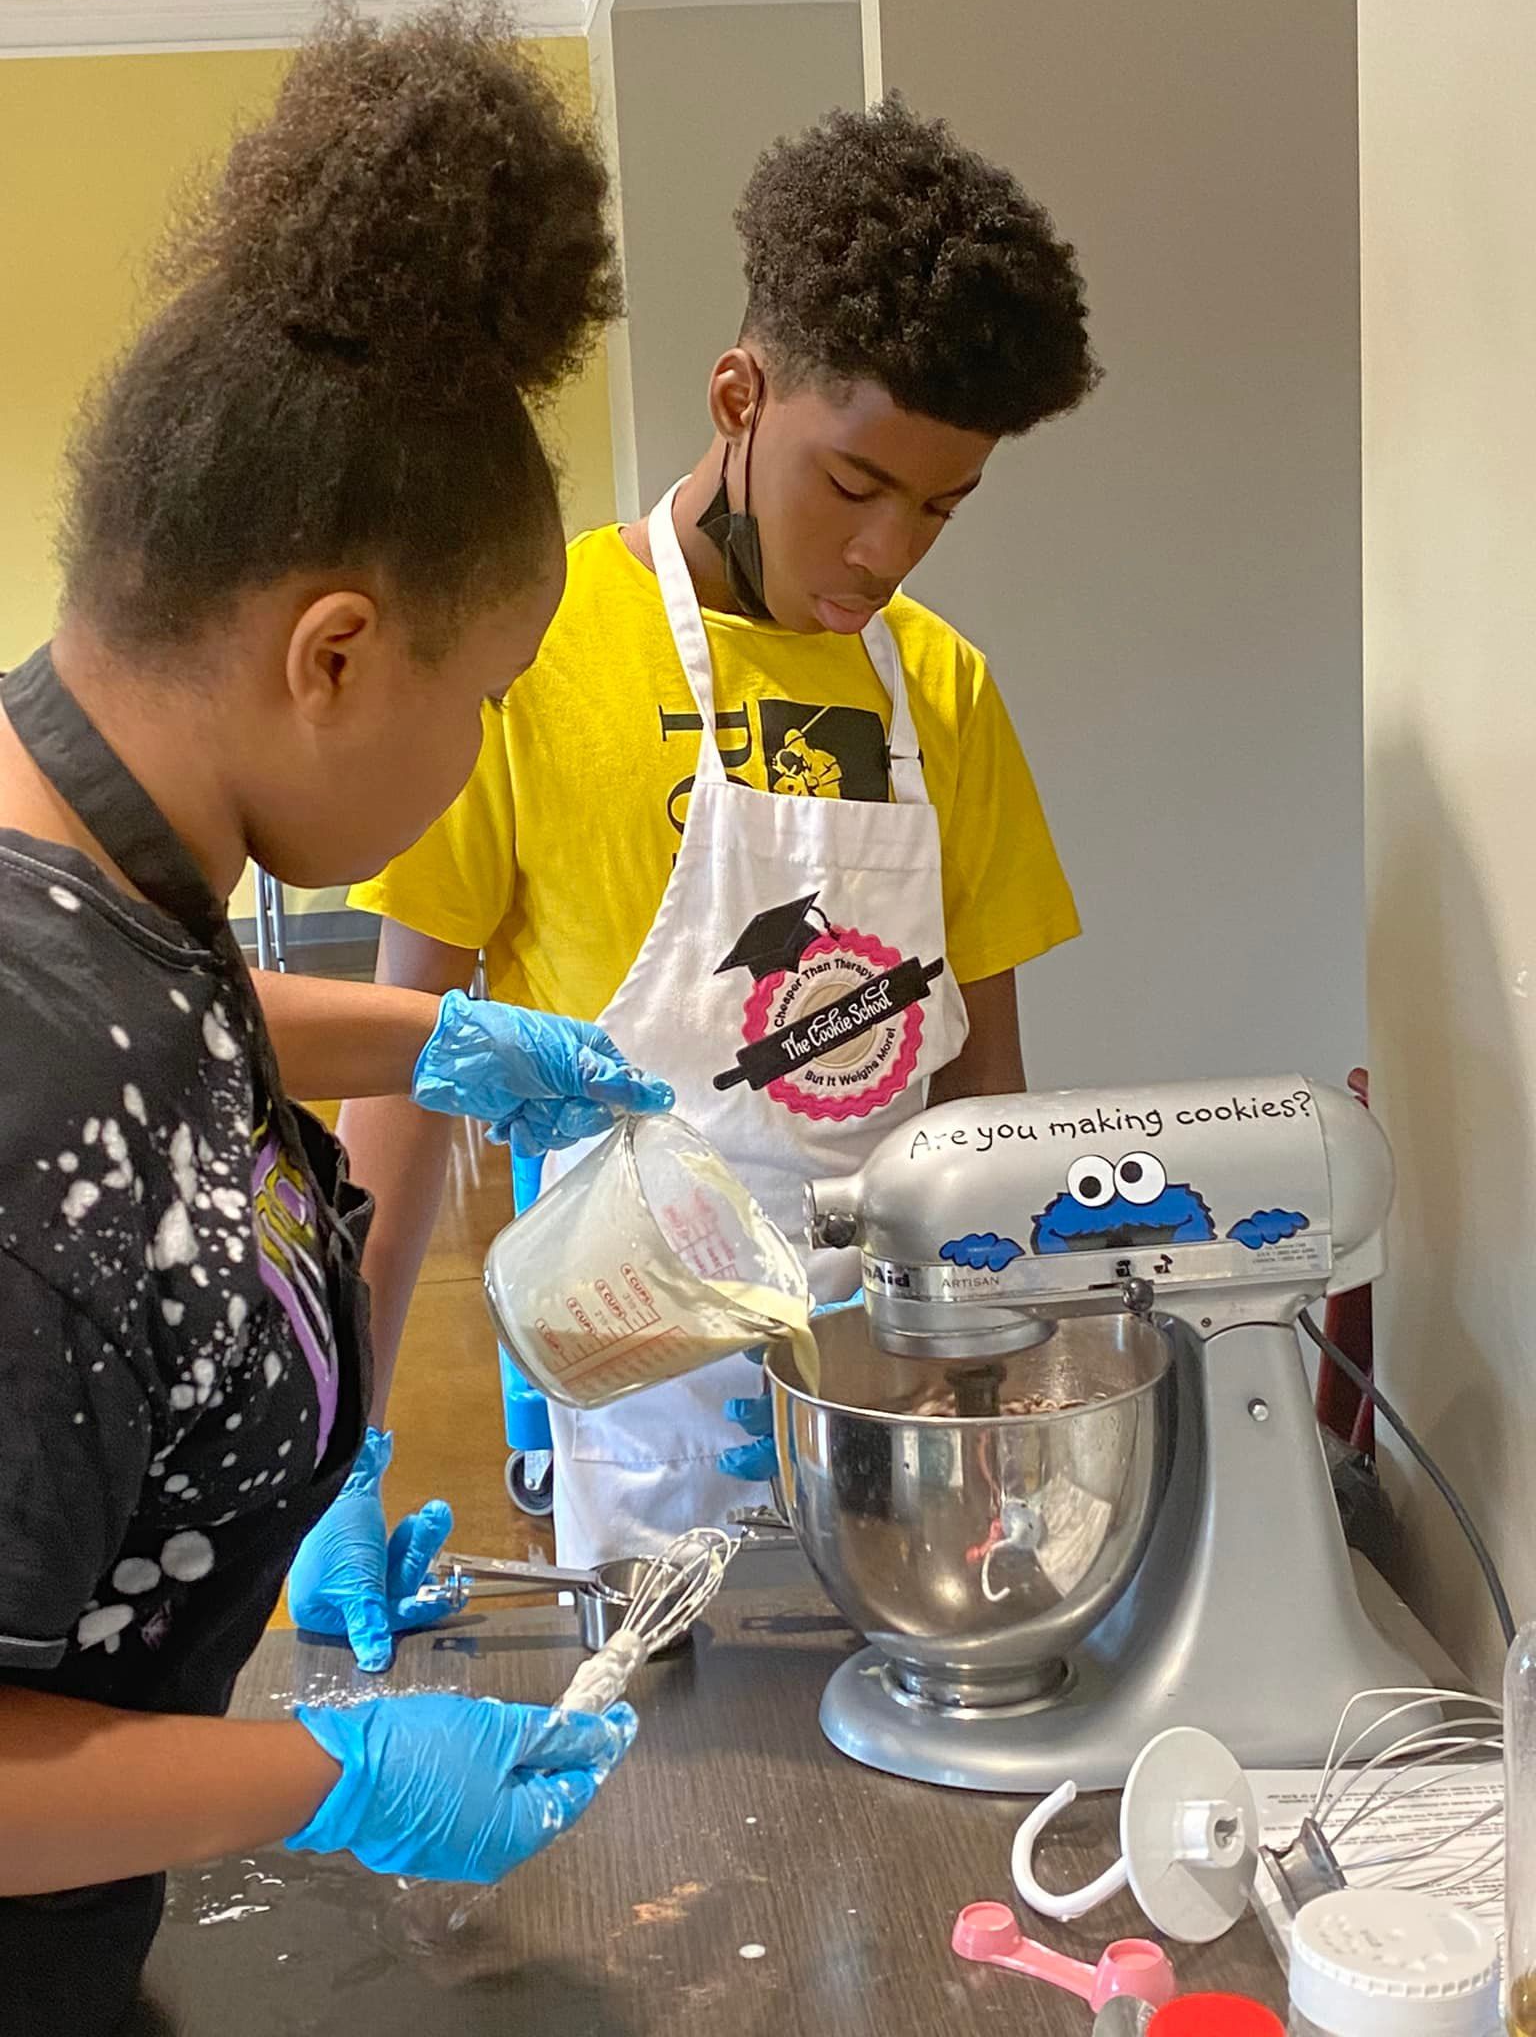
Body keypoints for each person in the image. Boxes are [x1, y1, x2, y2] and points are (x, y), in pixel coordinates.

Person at [0, 5, 668, 2031]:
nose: (477, 755)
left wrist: (427, 1047)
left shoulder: (90, 862)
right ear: (336, 655)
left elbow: (160, 1047)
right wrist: (336, 1772)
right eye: (486, 702)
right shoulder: (27, 1105)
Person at [345, 97, 1100, 1570]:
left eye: (941, 509)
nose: (886, 553)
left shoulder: (941, 689)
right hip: (642, 1392)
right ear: (740, 396)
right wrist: (347, 1451)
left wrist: (989, 1387)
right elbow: (402, 1073)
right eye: (855, 485)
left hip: (889, 1396)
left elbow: (984, 1094)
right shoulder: (537, 648)